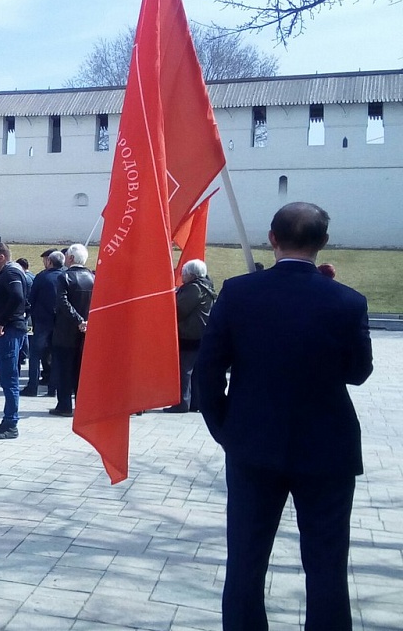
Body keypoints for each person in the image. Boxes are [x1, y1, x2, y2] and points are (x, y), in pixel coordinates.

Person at [194, 202, 373, 630]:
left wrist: (225, 429)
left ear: (271, 239)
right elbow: (358, 372)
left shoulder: (238, 292)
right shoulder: (348, 301)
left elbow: (207, 372)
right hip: (327, 450)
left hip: (253, 446)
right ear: (323, 243)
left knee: (246, 565)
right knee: (327, 567)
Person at [0, 242, 28, 440]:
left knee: (9, 378)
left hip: (10, 331)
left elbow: (17, 298)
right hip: (8, 330)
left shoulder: (11, 274)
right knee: (7, 377)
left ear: (2, 257)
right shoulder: (11, 273)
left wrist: (1, 323)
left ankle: (11, 423)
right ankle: (8, 419)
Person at [163, 259, 216, 414]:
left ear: (191, 275)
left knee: (184, 370)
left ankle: (182, 403)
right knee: (194, 371)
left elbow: (179, 309)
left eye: (183, 273)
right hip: (199, 334)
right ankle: (195, 403)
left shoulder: (194, 288)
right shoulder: (206, 285)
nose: (182, 275)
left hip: (188, 334)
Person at [49, 244, 94, 417]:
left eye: (67, 255)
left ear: (71, 258)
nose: (65, 257)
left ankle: (64, 405)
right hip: (85, 332)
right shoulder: (92, 277)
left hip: (65, 332)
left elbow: (62, 302)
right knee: (80, 371)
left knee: (63, 370)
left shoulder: (64, 278)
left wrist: (78, 320)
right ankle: (81, 405)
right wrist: (86, 322)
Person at [22, 249, 64, 397]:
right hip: (59, 323)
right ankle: (53, 389)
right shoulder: (65, 277)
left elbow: (31, 298)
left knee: (35, 356)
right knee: (56, 355)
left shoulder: (42, 277)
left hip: (42, 322)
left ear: (50, 262)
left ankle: (32, 386)